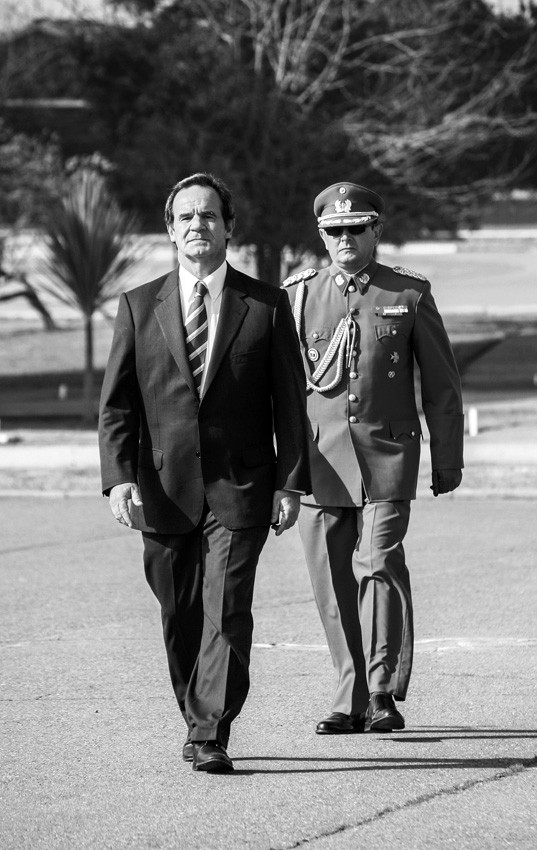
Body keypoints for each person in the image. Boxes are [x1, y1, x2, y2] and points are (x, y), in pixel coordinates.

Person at [99, 172, 311, 773]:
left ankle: (209, 728)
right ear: (170, 230)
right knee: (180, 614)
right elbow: (118, 405)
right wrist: (119, 478)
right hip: (163, 489)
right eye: (187, 217)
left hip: (242, 488)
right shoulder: (139, 306)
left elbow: (288, 404)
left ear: (229, 227)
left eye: (210, 216)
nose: (199, 226)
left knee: (228, 608)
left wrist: (290, 481)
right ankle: (196, 714)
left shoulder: (266, 305)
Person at [282, 181, 463, 735]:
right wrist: (280, 472)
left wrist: (447, 459)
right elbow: (281, 392)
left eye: (355, 228)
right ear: (321, 235)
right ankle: (349, 695)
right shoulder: (297, 295)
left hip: (387, 454)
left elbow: (441, 383)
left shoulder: (407, 292)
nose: (344, 238)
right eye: (333, 231)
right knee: (330, 579)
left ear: (376, 230)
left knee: (377, 562)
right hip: (320, 459)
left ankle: (380, 691)